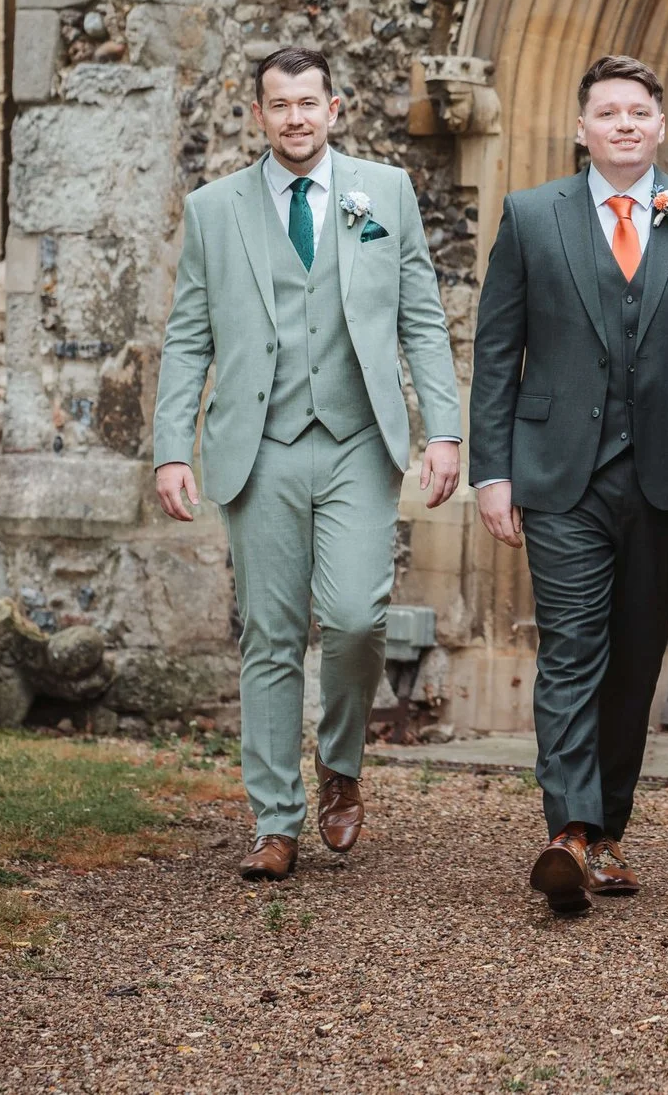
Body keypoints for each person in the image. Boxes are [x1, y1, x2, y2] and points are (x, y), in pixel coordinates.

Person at [152, 47, 465, 882]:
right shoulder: (215, 210)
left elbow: (422, 320)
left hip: (361, 440)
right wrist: (171, 448)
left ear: (337, 108)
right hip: (259, 447)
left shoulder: (384, 193)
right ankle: (274, 819)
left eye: (308, 103)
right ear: (259, 115)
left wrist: (445, 431)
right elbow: (188, 336)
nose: (294, 117)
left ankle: (341, 764)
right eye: (278, 104)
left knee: (358, 617)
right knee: (270, 633)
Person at [470, 54, 668, 913]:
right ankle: (567, 829)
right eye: (608, 112)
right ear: (582, 129)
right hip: (560, 472)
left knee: (634, 657)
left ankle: (607, 833)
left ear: (660, 127)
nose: (625, 124)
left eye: (639, 112)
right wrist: (494, 470)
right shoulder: (531, 216)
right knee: (571, 647)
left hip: (666, 471)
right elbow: (497, 351)